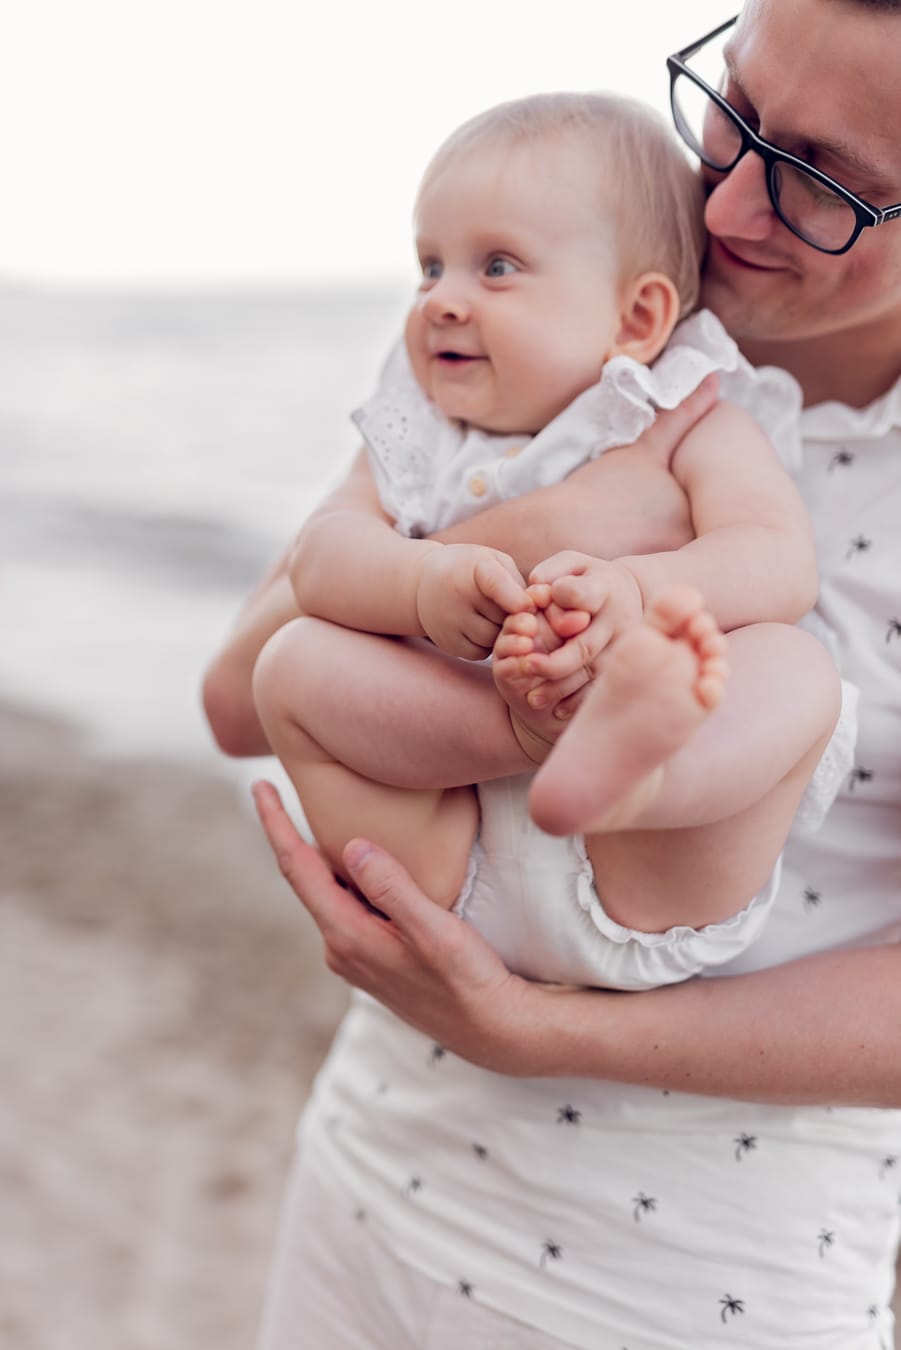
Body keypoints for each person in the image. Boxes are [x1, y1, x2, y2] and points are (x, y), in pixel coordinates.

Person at [204, 0, 901, 1344]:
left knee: (781, 688)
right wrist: (504, 543)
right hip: (376, 1167)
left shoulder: (688, 409)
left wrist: (548, 1034)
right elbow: (239, 697)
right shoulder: (558, 324)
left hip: (685, 1277)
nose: (733, 202)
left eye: (830, 181)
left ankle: (628, 758)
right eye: (734, 110)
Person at [251, 92, 847, 992]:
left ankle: (638, 774)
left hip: (645, 866)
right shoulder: (416, 433)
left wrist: (637, 595)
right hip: (442, 868)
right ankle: (534, 735)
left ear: (636, 320)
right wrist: (419, 583)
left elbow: (775, 558)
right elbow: (321, 557)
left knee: (796, 671)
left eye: (495, 267)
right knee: (290, 663)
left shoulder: (689, 413)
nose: (443, 300)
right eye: (428, 266)